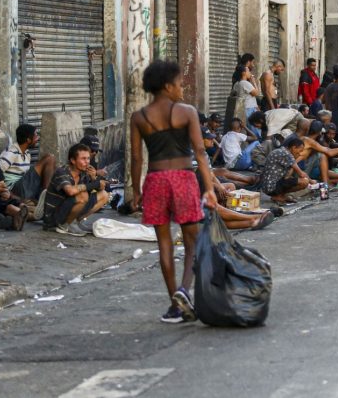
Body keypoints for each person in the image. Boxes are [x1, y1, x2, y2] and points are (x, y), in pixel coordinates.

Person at [130, 60, 216, 324]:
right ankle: (184, 289)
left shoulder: (139, 117)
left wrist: (136, 191)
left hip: (155, 181)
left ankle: (174, 306)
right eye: (180, 84)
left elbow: (136, 158)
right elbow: (200, 152)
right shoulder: (187, 112)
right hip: (182, 179)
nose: (182, 89)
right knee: (192, 240)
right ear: (167, 86)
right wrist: (209, 188)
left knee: (164, 243)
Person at [43, 144, 109, 236]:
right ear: (73, 160)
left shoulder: (84, 173)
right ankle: (64, 225)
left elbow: (101, 187)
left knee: (104, 195)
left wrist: (94, 178)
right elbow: (70, 191)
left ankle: (75, 221)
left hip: (69, 209)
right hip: (54, 217)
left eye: (88, 158)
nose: (87, 162)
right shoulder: (62, 172)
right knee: (83, 195)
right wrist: (94, 184)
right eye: (83, 159)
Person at [0, 124, 55, 210]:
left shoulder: (27, 153)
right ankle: (46, 199)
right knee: (49, 158)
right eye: (35, 135)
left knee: (52, 169)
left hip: (23, 188)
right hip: (15, 189)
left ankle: (42, 200)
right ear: (28, 140)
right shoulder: (12, 152)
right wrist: (9, 194)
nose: (38, 138)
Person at [261, 137, 312, 204]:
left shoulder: (282, 151)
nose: (299, 154)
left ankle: (280, 195)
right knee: (304, 182)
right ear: (294, 148)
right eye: (299, 151)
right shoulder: (287, 154)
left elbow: (287, 176)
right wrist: (312, 181)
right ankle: (277, 196)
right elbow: (301, 174)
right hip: (271, 187)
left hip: (267, 186)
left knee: (291, 179)